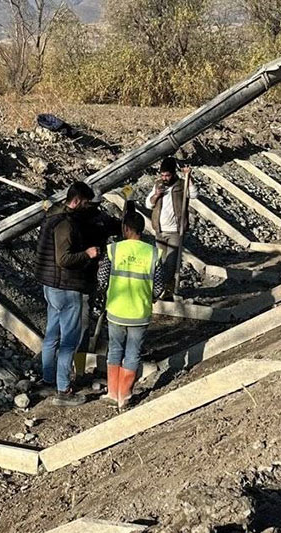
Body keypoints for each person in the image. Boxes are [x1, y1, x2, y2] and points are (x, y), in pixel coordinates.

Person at [34, 181, 120, 407]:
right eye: (86, 203)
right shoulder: (67, 224)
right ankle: (64, 390)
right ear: (76, 201)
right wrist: (88, 254)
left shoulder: (51, 217)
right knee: (69, 340)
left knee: (52, 335)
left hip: (49, 286)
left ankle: (48, 379)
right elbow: (64, 259)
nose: (88, 208)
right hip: (66, 287)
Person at [95, 201, 163, 410]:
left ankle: (112, 393)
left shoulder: (114, 250)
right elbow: (159, 286)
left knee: (115, 349)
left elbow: (102, 277)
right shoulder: (152, 253)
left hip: (116, 309)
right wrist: (150, 298)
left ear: (125, 228)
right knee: (133, 353)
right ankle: (125, 396)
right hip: (139, 312)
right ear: (142, 230)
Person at [143, 156, 197, 296]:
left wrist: (189, 177)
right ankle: (161, 289)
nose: (165, 178)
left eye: (167, 175)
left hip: (175, 231)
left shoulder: (181, 185)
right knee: (159, 263)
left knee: (171, 263)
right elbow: (148, 204)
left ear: (173, 174)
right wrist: (156, 195)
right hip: (160, 231)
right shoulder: (158, 186)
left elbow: (194, 195)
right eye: (162, 175)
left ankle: (166, 290)